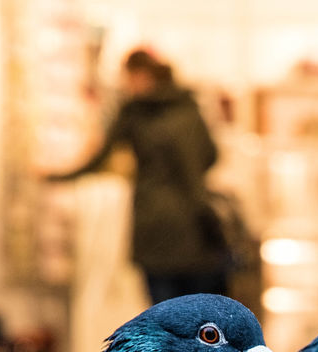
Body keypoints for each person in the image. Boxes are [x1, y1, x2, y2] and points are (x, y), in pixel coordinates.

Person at [49, 48, 228, 305]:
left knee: (164, 319)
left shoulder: (134, 113)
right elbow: (211, 156)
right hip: (194, 226)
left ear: (140, 74)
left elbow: (100, 158)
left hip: (153, 226)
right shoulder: (188, 109)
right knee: (200, 322)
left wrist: (59, 176)